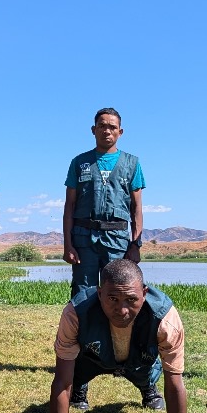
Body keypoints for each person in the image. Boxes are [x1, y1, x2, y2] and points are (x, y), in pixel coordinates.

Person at [46, 259, 190, 413]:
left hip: (140, 361)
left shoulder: (165, 318)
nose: (122, 310)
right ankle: (80, 388)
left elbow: (175, 384)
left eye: (131, 299)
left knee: (147, 375)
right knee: (74, 377)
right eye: (112, 298)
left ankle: (148, 388)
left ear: (144, 293)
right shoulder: (75, 312)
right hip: (92, 358)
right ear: (99, 293)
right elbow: (61, 381)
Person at [62, 107, 145, 298]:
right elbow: (69, 206)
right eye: (102, 126)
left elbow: (136, 208)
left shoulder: (132, 163)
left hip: (117, 241)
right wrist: (68, 245)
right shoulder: (79, 162)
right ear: (94, 130)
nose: (107, 131)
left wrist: (135, 245)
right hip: (83, 240)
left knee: (117, 292)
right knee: (83, 294)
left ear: (120, 132)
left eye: (112, 127)